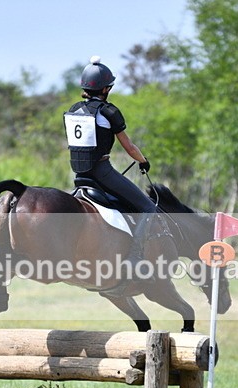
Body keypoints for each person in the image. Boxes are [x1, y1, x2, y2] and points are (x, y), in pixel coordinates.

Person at [63, 55, 158, 264]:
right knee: (149, 208)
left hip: (79, 174)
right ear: (106, 89)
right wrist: (143, 161)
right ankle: (134, 256)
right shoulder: (108, 112)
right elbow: (130, 148)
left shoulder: (73, 111)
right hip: (102, 173)